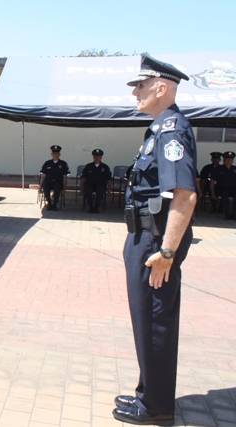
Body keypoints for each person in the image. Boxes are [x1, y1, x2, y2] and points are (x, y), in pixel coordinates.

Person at [114, 53, 197, 426]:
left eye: (141, 86)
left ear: (161, 88)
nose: (135, 93)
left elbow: (184, 196)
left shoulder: (171, 130)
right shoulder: (160, 128)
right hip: (145, 237)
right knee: (146, 318)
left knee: (154, 320)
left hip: (155, 242)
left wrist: (167, 251)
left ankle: (156, 407)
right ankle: (147, 393)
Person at [38, 145, 69, 211]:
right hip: (48, 181)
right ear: (51, 154)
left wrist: (64, 188)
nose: (55, 155)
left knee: (57, 186)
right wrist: (40, 187)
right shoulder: (47, 163)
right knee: (45, 185)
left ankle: (54, 204)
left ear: (59, 154)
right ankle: (49, 204)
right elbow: (43, 176)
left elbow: (65, 177)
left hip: (58, 182)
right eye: (54, 153)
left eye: (57, 153)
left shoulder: (63, 164)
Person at [80, 148, 112, 213]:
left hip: (100, 184)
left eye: (98, 156)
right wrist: (81, 188)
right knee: (87, 189)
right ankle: (90, 206)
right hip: (90, 184)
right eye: (95, 156)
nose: (97, 157)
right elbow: (83, 177)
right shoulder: (88, 166)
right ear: (93, 157)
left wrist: (109, 189)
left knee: (100, 190)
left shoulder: (105, 167)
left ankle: (96, 207)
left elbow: (109, 179)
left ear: (101, 157)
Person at [210, 151, 236, 219]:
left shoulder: (234, 169)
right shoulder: (218, 169)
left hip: (233, 190)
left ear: (232, 161)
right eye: (227, 159)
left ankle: (234, 214)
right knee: (225, 194)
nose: (228, 161)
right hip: (222, 190)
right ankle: (227, 213)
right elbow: (212, 182)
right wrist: (213, 193)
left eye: (230, 159)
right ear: (223, 160)